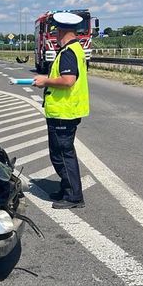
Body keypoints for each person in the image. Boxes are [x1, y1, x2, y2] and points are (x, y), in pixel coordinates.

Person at [33, 12, 90, 209]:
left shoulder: (67, 53)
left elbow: (68, 80)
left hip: (63, 112)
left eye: (56, 31)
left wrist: (45, 81)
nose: (55, 35)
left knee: (62, 155)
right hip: (68, 111)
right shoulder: (76, 49)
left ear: (63, 31)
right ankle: (68, 189)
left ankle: (74, 196)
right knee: (63, 153)